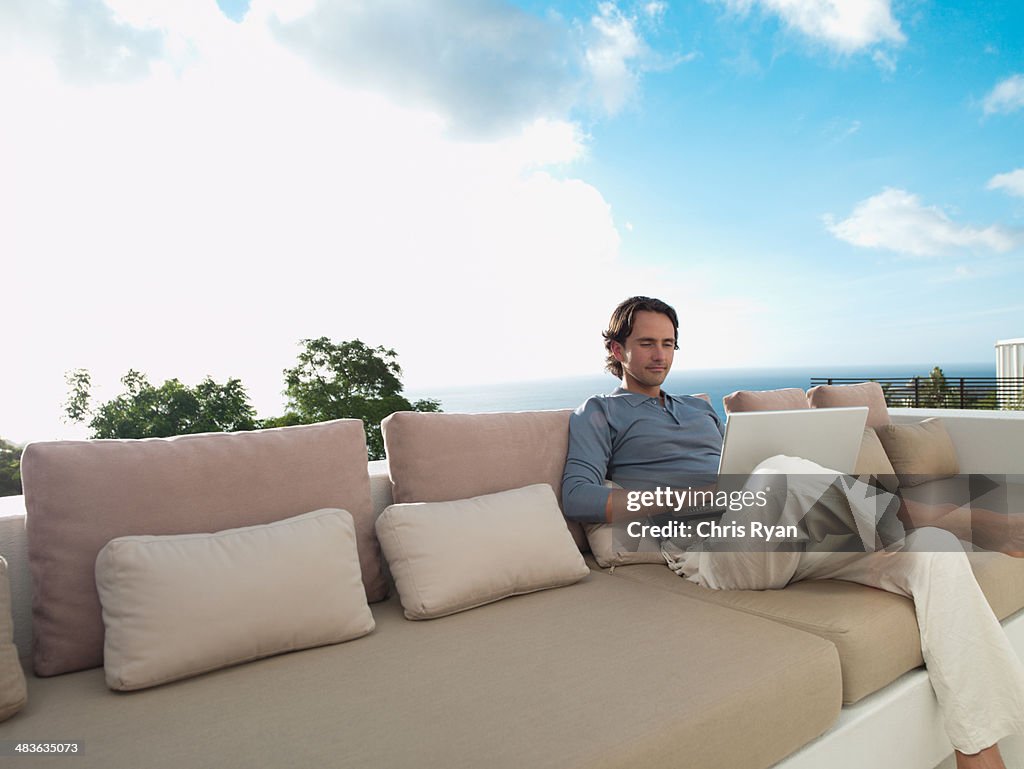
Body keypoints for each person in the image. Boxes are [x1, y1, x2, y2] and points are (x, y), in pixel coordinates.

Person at [562, 295, 1024, 769]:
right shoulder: (598, 412)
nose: (660, 355)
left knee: (935, 551)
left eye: (668, 343)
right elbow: (576, 496)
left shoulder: (698, 412)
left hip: (771, 531)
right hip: (712, 552)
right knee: (780, 471)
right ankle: (969, 517)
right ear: (617, 349)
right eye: (646, 344)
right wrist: (693, 497)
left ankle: (980, 753)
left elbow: (733, 468)